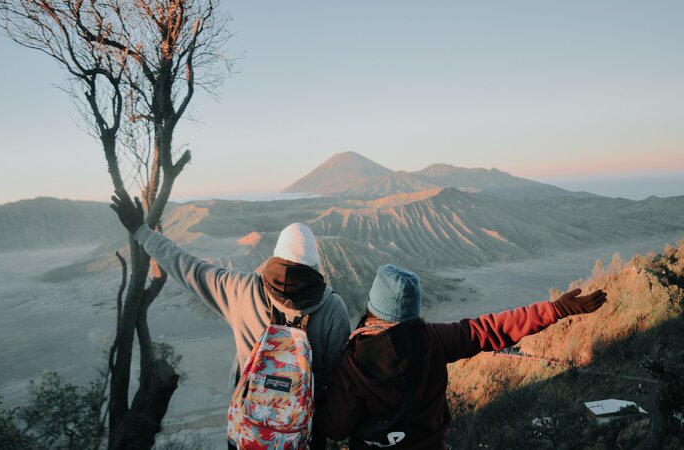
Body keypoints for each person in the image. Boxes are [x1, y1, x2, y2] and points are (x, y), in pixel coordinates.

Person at [110, 189, 351, 449]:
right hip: (301, 434)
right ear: (315, 265)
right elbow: (336, 380)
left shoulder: (241, 290)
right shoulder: (333, 308)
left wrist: (139, 229)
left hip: (248, 431)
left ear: (276, 256)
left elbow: (185, 266)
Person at [320, 264, 608, 450]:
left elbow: (336, 427)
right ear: (413, 311)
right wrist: (556, 309)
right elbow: (492, 328)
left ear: (373, 307)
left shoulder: (352, 362)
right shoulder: (433, 338)